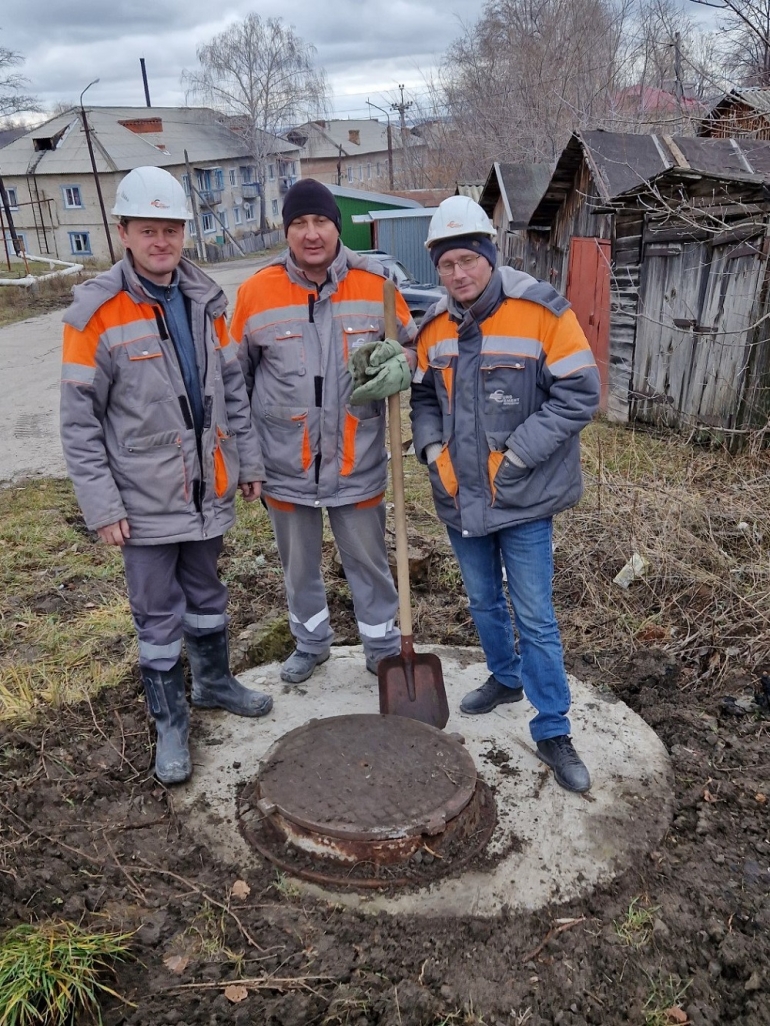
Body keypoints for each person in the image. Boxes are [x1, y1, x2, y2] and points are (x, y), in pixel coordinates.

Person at [60, 166, 272, 786]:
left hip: (207, 487)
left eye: (172, 229)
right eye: (148, 230)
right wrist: (101, 506)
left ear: (185, 233)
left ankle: (213, 684)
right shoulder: (94, 314)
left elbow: (233, 387)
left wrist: (250, 463)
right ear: (123, 232)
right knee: (156, 614)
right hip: (143, 498)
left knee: (207, 593)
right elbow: (78, 423)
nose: (162, 241)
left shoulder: (206, 300)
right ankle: (170, 721)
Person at [410, 196, 600, 793]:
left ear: (491, 257)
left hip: (522, 497)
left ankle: (552, 729)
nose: (459, 274)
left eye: (468, 260)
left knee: (536, 616)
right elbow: (421, 399)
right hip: (459, 495)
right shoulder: (434, 329)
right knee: (485, 604)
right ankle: (504, 675)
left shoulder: (542, 313)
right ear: (437, 270)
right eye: (447, 265)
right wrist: (431, 451)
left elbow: (579, 394)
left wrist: (516, 455)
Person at [231, 178, 417, 684]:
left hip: (357, 458)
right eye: (299, 224)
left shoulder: (376, 283)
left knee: (370, 563)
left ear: (336, 226)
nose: (311, 234)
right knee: (298, 569)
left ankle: (381, 649)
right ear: (286, 230)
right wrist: (246, 462)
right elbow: (234, 384)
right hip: (285, 462)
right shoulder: (255, 292)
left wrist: (404, 362)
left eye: (321, 222)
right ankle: (311, 644)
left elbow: (410, 346)